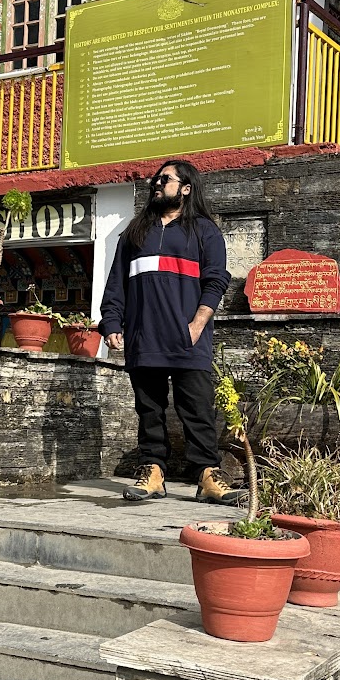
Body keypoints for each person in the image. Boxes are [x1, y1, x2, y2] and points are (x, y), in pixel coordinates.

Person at [98, 158, 243, 504]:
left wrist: (197, 324)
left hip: (187, 337)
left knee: (198, 408)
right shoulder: (135, 233)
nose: (157, 184)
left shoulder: (204, 231)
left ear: (186, 188)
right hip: (143, 336)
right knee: (149, 410)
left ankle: (208, 476)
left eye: (165, 179)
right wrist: (112, 322)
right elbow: (116, 283)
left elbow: (216, 281)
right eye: (156, 180)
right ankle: (153, 472)